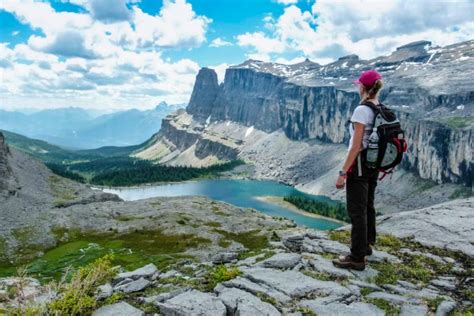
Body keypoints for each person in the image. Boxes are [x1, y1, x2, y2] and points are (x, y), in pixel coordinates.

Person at [332, 69, 383, 271]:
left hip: (360, 164)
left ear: (363, 87)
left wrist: (343, 173)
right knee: (368, 206)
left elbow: (356, 145)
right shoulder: (379, 107)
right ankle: (367, 245)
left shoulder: (361, 110)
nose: (357, 87)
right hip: (373, 165)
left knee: (357, 212)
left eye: (358, 84)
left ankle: (356, 257)